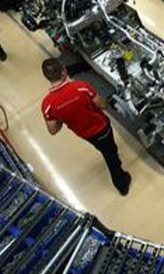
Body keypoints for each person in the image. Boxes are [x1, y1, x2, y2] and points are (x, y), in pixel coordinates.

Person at [41, 57, 132, 196]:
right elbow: (102, 104)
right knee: (110, 155)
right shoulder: (81, 87)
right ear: (63, 71)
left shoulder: (47, 104)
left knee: (104, 148)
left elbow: (52, 130)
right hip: (101, 128)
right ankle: (121, 183)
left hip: (85, 134)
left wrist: (62, 114)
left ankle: (111, 156)